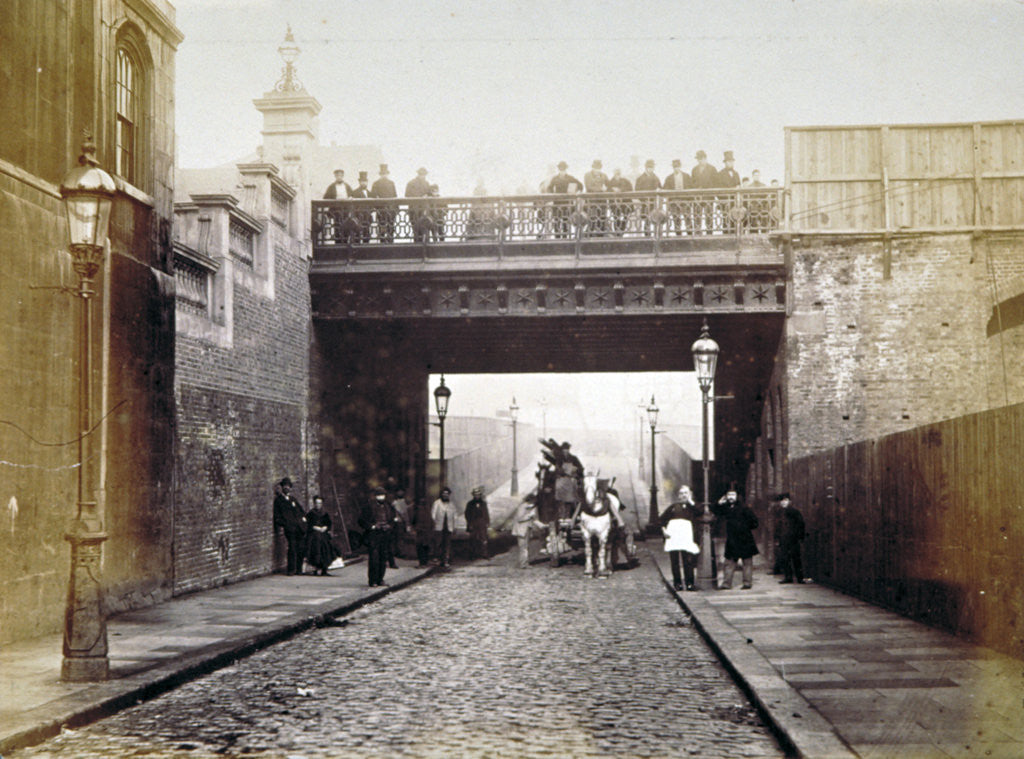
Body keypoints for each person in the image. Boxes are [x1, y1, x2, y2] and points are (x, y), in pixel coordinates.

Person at [712, 488, 759, 589]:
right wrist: (719, 503)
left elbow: (755, 522)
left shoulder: (745, 508)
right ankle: (726, 583)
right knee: (729, 562)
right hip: (732, 539)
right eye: (729, 495)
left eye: (733, 494)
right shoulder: (726, 508)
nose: (731, 497)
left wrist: (744, 527)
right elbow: (715, 512)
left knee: (747, 562)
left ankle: (747, 583)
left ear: (737, 496)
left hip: (745, 538)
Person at [660, 485, 702, 590]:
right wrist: (664, 531)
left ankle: (689, 583)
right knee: (675, 561)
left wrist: (691, 502)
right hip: (674, 537)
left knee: (688, 560)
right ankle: (677, 583)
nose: (684, 495)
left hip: (687, 537)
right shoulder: (673, 507)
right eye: (681, 493)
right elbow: (661, 520)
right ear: (678, 496)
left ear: (690, 494)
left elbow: (700, 512)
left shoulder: (693, 507)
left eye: (686, 493)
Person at [358, 486, 392, 587]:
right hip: (374, 536)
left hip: (384, 535)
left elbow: (392, 519)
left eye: (382, 495)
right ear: (375, 496)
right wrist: (372, 526)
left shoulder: (388, 507)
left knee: (383, 557)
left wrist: (389, 526)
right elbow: (361, 520)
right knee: (374, 558)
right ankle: (372, 580)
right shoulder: (369, 507)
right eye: (379, 495)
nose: (381, 497)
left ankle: (380, 579)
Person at [272, 477, 306, 575]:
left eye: (288, 486)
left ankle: (299, 569)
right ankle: (291, 569)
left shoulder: (293, 499)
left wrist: (303, 521)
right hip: (290, 529)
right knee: (292, 547)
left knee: (300, 547)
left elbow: (301, 511)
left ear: (291, 488)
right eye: (285, 486)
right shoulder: (279, 501)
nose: (287, 488)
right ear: (282, 488)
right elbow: (277, 517)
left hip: (299, 528)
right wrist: (285, 524)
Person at [774, 493, 807, 584]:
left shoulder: (795, 512)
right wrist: (777, 538)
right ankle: (788, 577)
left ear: (789, 501)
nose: (783, 503)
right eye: (782, 501)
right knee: (785, 558)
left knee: (796, 558)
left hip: (793, 539)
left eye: (785, 500)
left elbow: (801, 525)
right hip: (783, 539)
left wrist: (800, 537)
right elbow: (777, 527)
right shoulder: (779, 513)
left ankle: (799, 577)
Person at [545, 161, 582, 239]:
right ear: (558, 169)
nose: (562, 171)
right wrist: (552, 195)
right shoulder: (555, 179)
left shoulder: (570, 178)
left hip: (567, 202)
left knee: (566, 220)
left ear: (566, 169)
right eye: (560, 169)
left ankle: (565, 237)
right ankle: (557, 237)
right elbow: (549, 188)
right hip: (557, 202)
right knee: (557, 220)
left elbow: (580, 185)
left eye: (563, 169)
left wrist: (575, 191)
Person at [304, 495, 337, 576]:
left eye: (320, 503)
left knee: (327, 544)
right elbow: (307, 524)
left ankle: (324, 568)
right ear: (314, 504)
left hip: (323, 533)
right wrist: (314, 527)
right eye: (317, 503)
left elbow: (329, 523)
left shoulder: (325, 513)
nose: (318, 505)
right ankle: (315, 567)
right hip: (314, 533)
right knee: (316, 544)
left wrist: (325, 527)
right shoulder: (310, 513)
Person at [511, 495, 546, 568]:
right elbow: (519, 518)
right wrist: (529, 516)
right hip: (521, 530)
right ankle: (523, 564)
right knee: (523, 547)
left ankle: (524, 562)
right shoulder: (522, 507)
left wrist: (541, 525)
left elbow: (534, 519)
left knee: (525, 547)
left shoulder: (531, 508)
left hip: (527, 529)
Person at [690, 150, 718, 234]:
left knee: (709, 215)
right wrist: (696, 188)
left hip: (708, 196)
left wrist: (709, 189)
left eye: (701, 159)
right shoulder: (694, 169)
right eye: (698, 159)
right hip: (697, 197)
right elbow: (692, 182)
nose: (699, 161)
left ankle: (709, 233)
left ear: (705, 158)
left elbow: (716, 182)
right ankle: (698, 233)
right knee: (697, 215)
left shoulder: (712, 169)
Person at [431, 486, 458, 567]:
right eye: (443, 494)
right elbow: (433, 514)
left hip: (448, 527)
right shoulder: (437, 503)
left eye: (447, 494)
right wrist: (435, 523)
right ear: (441, 495)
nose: (445, 495)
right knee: (438, 543)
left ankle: (445, 560)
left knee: (447, 544)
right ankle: (437, 559)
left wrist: (454, 526)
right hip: (439, 527)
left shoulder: (451, 504)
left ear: (449, 495)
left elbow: (455, 516)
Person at [322, 169, 351, 243]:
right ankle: (338, 242)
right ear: (335, 176)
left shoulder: (347, 186)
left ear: (343, 176)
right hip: (336, 210)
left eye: (341, 176)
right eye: (337, 176)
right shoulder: (331, 187)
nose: (339, 177)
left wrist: (349, 198)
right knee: (337, 226)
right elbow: (325, 198)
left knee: (346, 226)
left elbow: (352, 195)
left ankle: (346, 241)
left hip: (345, 210)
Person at [663, 159, 691, 236]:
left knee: (687, 218)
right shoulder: (669, 178)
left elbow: (691, 188)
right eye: (674, 167)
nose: (676, 168)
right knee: (676, 219)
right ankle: (678, 235)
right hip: (674, 202)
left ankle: (689, 234)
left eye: (677, 166)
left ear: (680, 167)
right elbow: (665, 189)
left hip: (685, 201)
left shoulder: (686, 176)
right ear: (673, 168)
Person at [370, 164, 397, 242]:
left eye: (385, 174)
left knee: (391, 227)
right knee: (382, 227)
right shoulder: (376, 183)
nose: (384, 175)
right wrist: (377, 208)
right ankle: (382, 242)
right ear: (380, 175)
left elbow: (395, 196)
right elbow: (373, 197)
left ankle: (391, 241)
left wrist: (396, 209)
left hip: (391, 209)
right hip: (381, 210)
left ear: (387, 174)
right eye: (382, 174)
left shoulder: (391, 183)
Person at [717, 150, 742, 232]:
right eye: (728, 162)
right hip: (725, 202)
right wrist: (724, 199)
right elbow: (718, 189)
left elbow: (739, 186)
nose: (730, 163)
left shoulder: (736, 173)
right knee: (726, 221)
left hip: (734, 202)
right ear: (725, 163)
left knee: (735, 220)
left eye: (731, 162)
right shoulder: (720, 174)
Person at [634, 159, 661, 234]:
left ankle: (653, 232)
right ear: (646, 168)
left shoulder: (656, 177)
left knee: (653, 217)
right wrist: (643, 199)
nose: (651, 169)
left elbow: (660, 187)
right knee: (645, 217)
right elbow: (637, 190)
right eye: (649, 167)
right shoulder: (640, 178)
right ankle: (646, 232)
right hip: (644, 202)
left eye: (652, 167)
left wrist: (658, 190)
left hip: (653, 201)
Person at [405, 167, 431, 242]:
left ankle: (418, 247)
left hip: (419, 210)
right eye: (422, 175)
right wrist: (421, 197)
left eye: (424, 175)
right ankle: (420, 247)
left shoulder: (426, 183)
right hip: (416, 210)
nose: (423, 176)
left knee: (417, 230)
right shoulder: (412, 183)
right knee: (419, 230)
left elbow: (407, 195)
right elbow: (407, 195)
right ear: (419, 174)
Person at [583, 159, 609, 234]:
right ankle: (590, 234)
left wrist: (608, 189)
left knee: (602, 218)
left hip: (602, 201)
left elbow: (609, 185)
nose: (597, 170)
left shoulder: (604, 175)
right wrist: (601, 189)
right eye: (596, 168)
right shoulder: (587, 175)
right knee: (592, 218)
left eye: (599, 168)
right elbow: (588, 187)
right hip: (591, 201)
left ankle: (601, 233)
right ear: (593, 167)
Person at [464, 486, 490, 559]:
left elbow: (486, 513)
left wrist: (487, 522)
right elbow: (467, 514)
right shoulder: (470, 504)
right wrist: (469, 523)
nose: (477, 496)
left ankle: (484, 554)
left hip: (482, 522)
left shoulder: (483, 503)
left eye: (478, 494)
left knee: (484, 538)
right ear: (473, 495)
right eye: (475, 494)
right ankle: (473, 554)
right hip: (473, 522)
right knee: (473, 539)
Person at [410, 497, 434, 567]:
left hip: (420, 532)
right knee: (425, 547)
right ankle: (425, 562)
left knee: (420, 548)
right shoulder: (428, 511)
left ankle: (422, 562)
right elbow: (431, 522)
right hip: (425, 532)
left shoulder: (417, 511)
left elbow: (413, 521)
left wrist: (414, 528)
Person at [607, 168, 633, 235]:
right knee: (616, 218)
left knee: (625, 217)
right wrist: (613, 190)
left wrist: (620, 190)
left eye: (618, 174)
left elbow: (630, 188)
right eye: (616, 174)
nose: (617, 176)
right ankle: (617, 232)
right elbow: (607, 191)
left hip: (625, 204)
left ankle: (622, 231)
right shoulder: (610, 182)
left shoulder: (625, 181)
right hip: (615, 204)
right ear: (614, 174)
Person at [349, 171, 372, 243]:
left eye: (365, 181)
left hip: (367, 216)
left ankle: (366, 249)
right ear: (359, 182)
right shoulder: (355, 192)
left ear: (367, 182)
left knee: (366, 234)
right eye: (362, 181)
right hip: (358, 216)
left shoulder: (369, 193)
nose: (364, 183)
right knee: (357, 235)